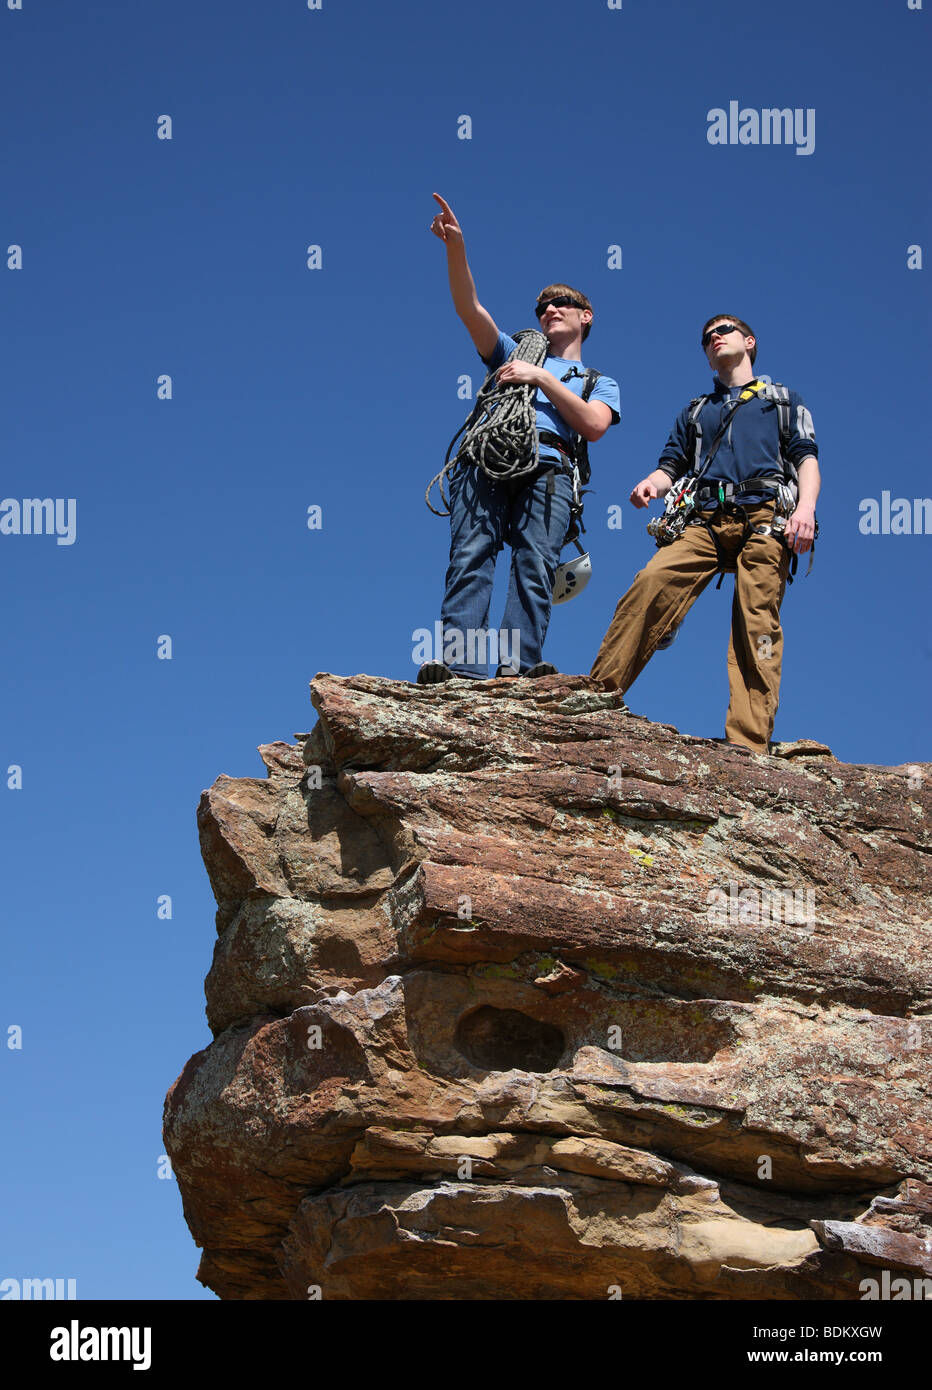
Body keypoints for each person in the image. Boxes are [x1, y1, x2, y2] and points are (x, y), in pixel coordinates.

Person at [590, 315, 820, 752]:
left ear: (749, 342)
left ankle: (748, 742)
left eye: (724, 330)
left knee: (757, 620)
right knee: (651, 582)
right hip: (705, 518)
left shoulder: (783, 401)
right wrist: (652, 484)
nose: (714, 337)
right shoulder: (696, 411)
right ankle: (597, 695)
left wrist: (806, 509)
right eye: (707, 337)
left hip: (766, 514)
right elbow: (671, 466)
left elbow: (806, 457)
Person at [418, 193, 621, 683]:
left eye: (562, 303)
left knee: (535, 565)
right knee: (470, 557)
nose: (549, 308)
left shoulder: (598, 381)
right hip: (487, 458)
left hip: (551, 467)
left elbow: (594, 425)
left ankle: (518, 669)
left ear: (586, 316)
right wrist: (456, 249)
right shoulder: (513, 351)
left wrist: (542, 378)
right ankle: (460, 670)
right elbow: (470, 308)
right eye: (543, 305)